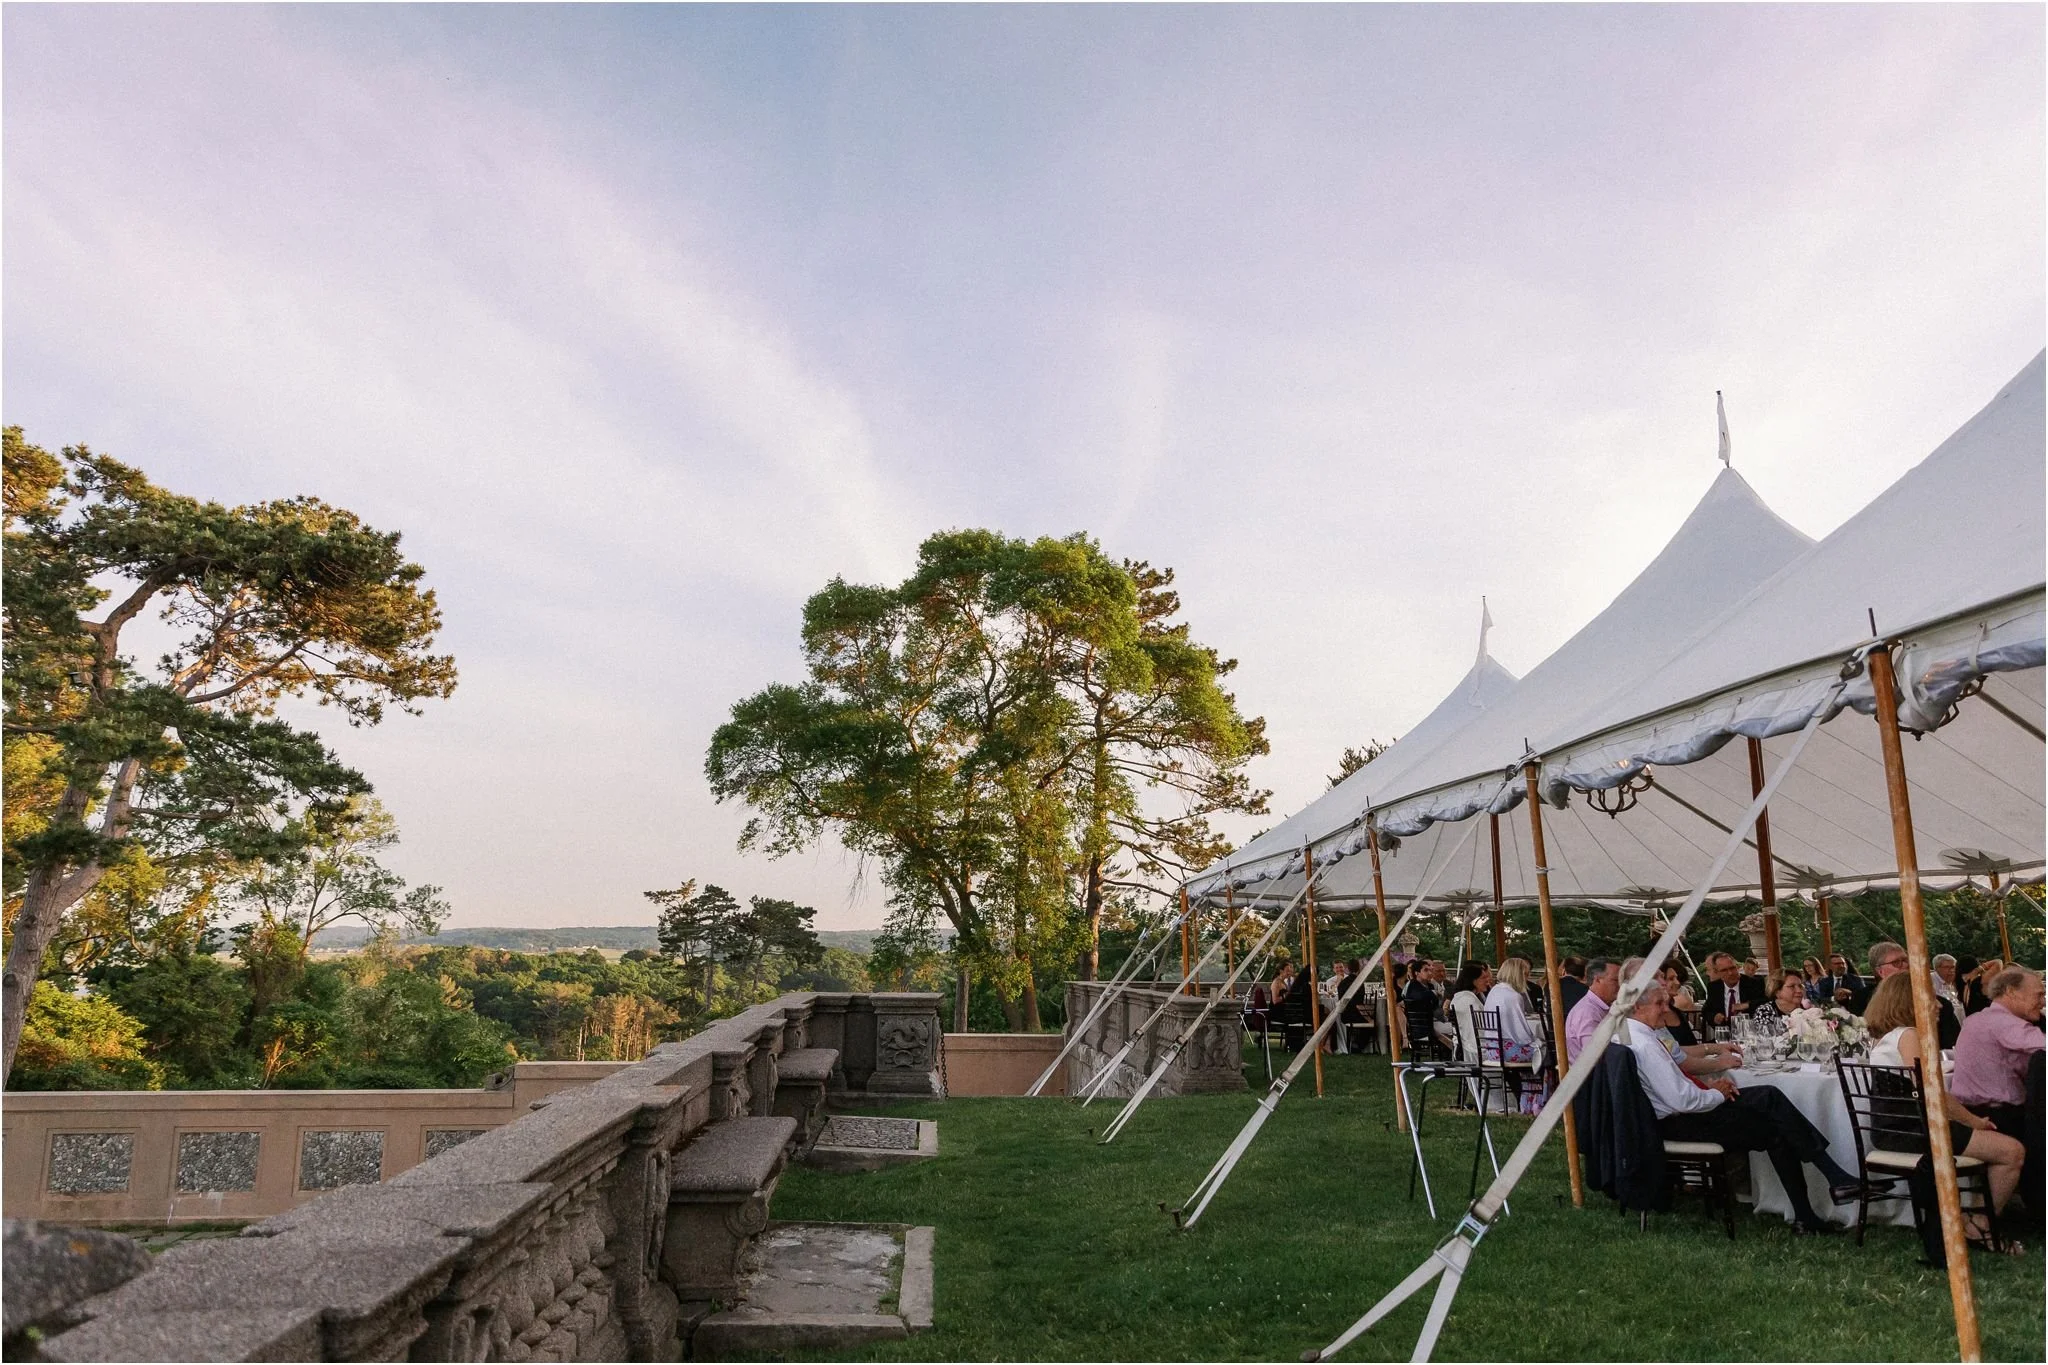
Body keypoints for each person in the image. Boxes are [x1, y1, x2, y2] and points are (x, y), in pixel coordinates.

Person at [1618, 981, 1860, 1234]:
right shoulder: (1645, 1044)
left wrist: (1713, 1090)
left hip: (1673, 1116)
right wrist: (1717, 1093)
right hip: (1679, 1122)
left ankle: (1814, 1205)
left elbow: (1678, 1086)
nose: (1666, 1009)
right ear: (1637, 1007)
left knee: (1772, 1107)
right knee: (1773, 1111)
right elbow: (1683, 1100)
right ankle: (1827, 1188)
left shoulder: (1629, 1034)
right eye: (1660, 1004)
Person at [1863, 973, 2027, 1244]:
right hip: (1912, 1131)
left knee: (2000, 1146)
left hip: (1894, 1128)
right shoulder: (1909, 1035)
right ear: (1909, 1001)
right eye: (1931, 998)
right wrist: (1973, 1121)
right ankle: (1981, 1227)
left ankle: (1971, 1222)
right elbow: (1934, 1093)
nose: (1939, 1005)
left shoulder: (1888, 1037)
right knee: (2012, 1152)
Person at [1950, 966, 2046, 1224]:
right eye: (2039, 995)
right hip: (1996, 1119)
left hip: (1969, 1112)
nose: (2043, 1001)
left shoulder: (1976, 1019)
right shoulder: (2006, 1024)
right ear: (2012, 992)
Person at [1565, 958, 1621, 1065]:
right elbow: (1594, 1055)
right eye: (1615, 980)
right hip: (1590, 1077)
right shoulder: (1587, 1012)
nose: (1620, 985)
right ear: (1597, 980)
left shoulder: (1603, 1007)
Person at [1703, 951, 1765, 1030]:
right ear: (1717, 973)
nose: (1730, 973)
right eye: (1724, 970)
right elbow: (1706, 1011)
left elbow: (1766, 1002)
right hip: (1725, 1033)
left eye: (1732, 968)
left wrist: (1747, 1005)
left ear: (1737, 967)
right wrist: (1714, 1017)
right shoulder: (1714, 987)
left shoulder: (1754, 983)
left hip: (1751, 1032)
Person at [1844, 941, 1908, 1015]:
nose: (1906, 965)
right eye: (1896, 962)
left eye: (1906, 960)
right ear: (1880, 971)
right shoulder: (1862, 998)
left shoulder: (1919, 991)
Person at [1449, 961, 1492, 1060]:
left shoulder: (1459, 998)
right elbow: (1478, 1035)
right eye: (1483, 978)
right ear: (1473, 980)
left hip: (1463, 1050)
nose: (1488, 980)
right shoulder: (1470, 1002)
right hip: (1475, 1053)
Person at [1658, 964, 1701, 1046]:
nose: (1677, 983)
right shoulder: (1653, 1016)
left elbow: (1692, 1044)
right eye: (1671, 979)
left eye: (1676, 978)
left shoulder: (1677, 1012)